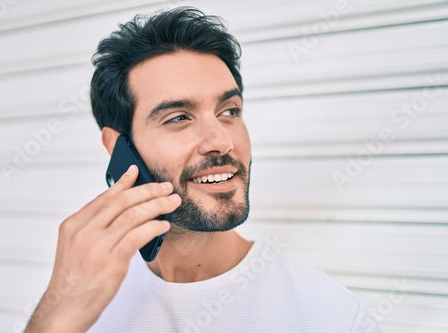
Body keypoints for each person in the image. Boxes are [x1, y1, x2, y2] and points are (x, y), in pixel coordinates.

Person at [25, 7, 382, 333]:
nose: (221, 140)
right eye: (179, 117)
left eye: (230, 111)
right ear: (118, 148)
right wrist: (57, 317)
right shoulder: (80, 303)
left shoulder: (334, 317)